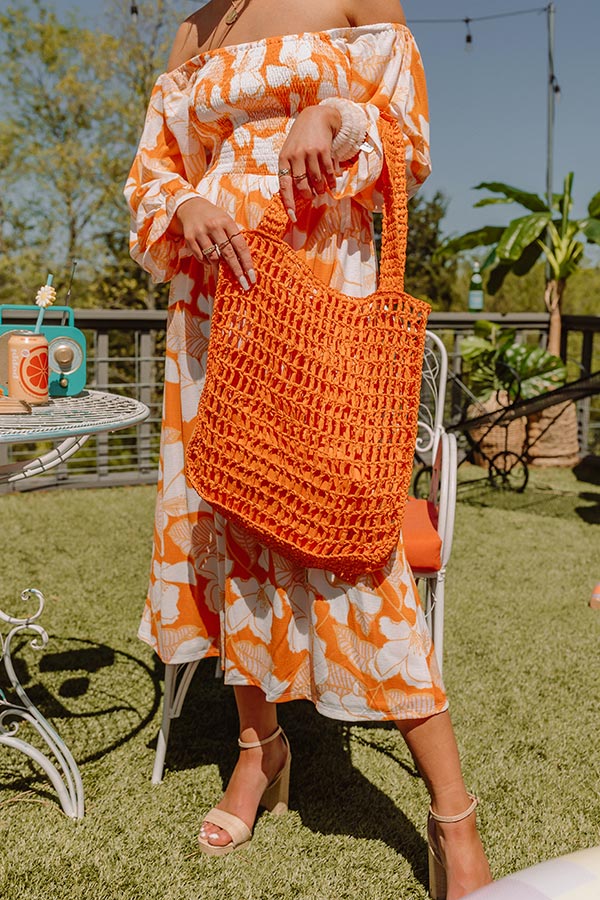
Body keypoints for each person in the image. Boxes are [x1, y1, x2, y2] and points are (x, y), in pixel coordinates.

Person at [125, 0, 492, 896]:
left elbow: (410, 140)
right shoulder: (194, 28)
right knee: (227, 520)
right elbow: (152, 173)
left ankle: (453, 811)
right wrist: (188, 200)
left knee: (349, 539)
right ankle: (261, 749)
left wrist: (334, 116)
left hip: (320, 285)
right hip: (213, 307)